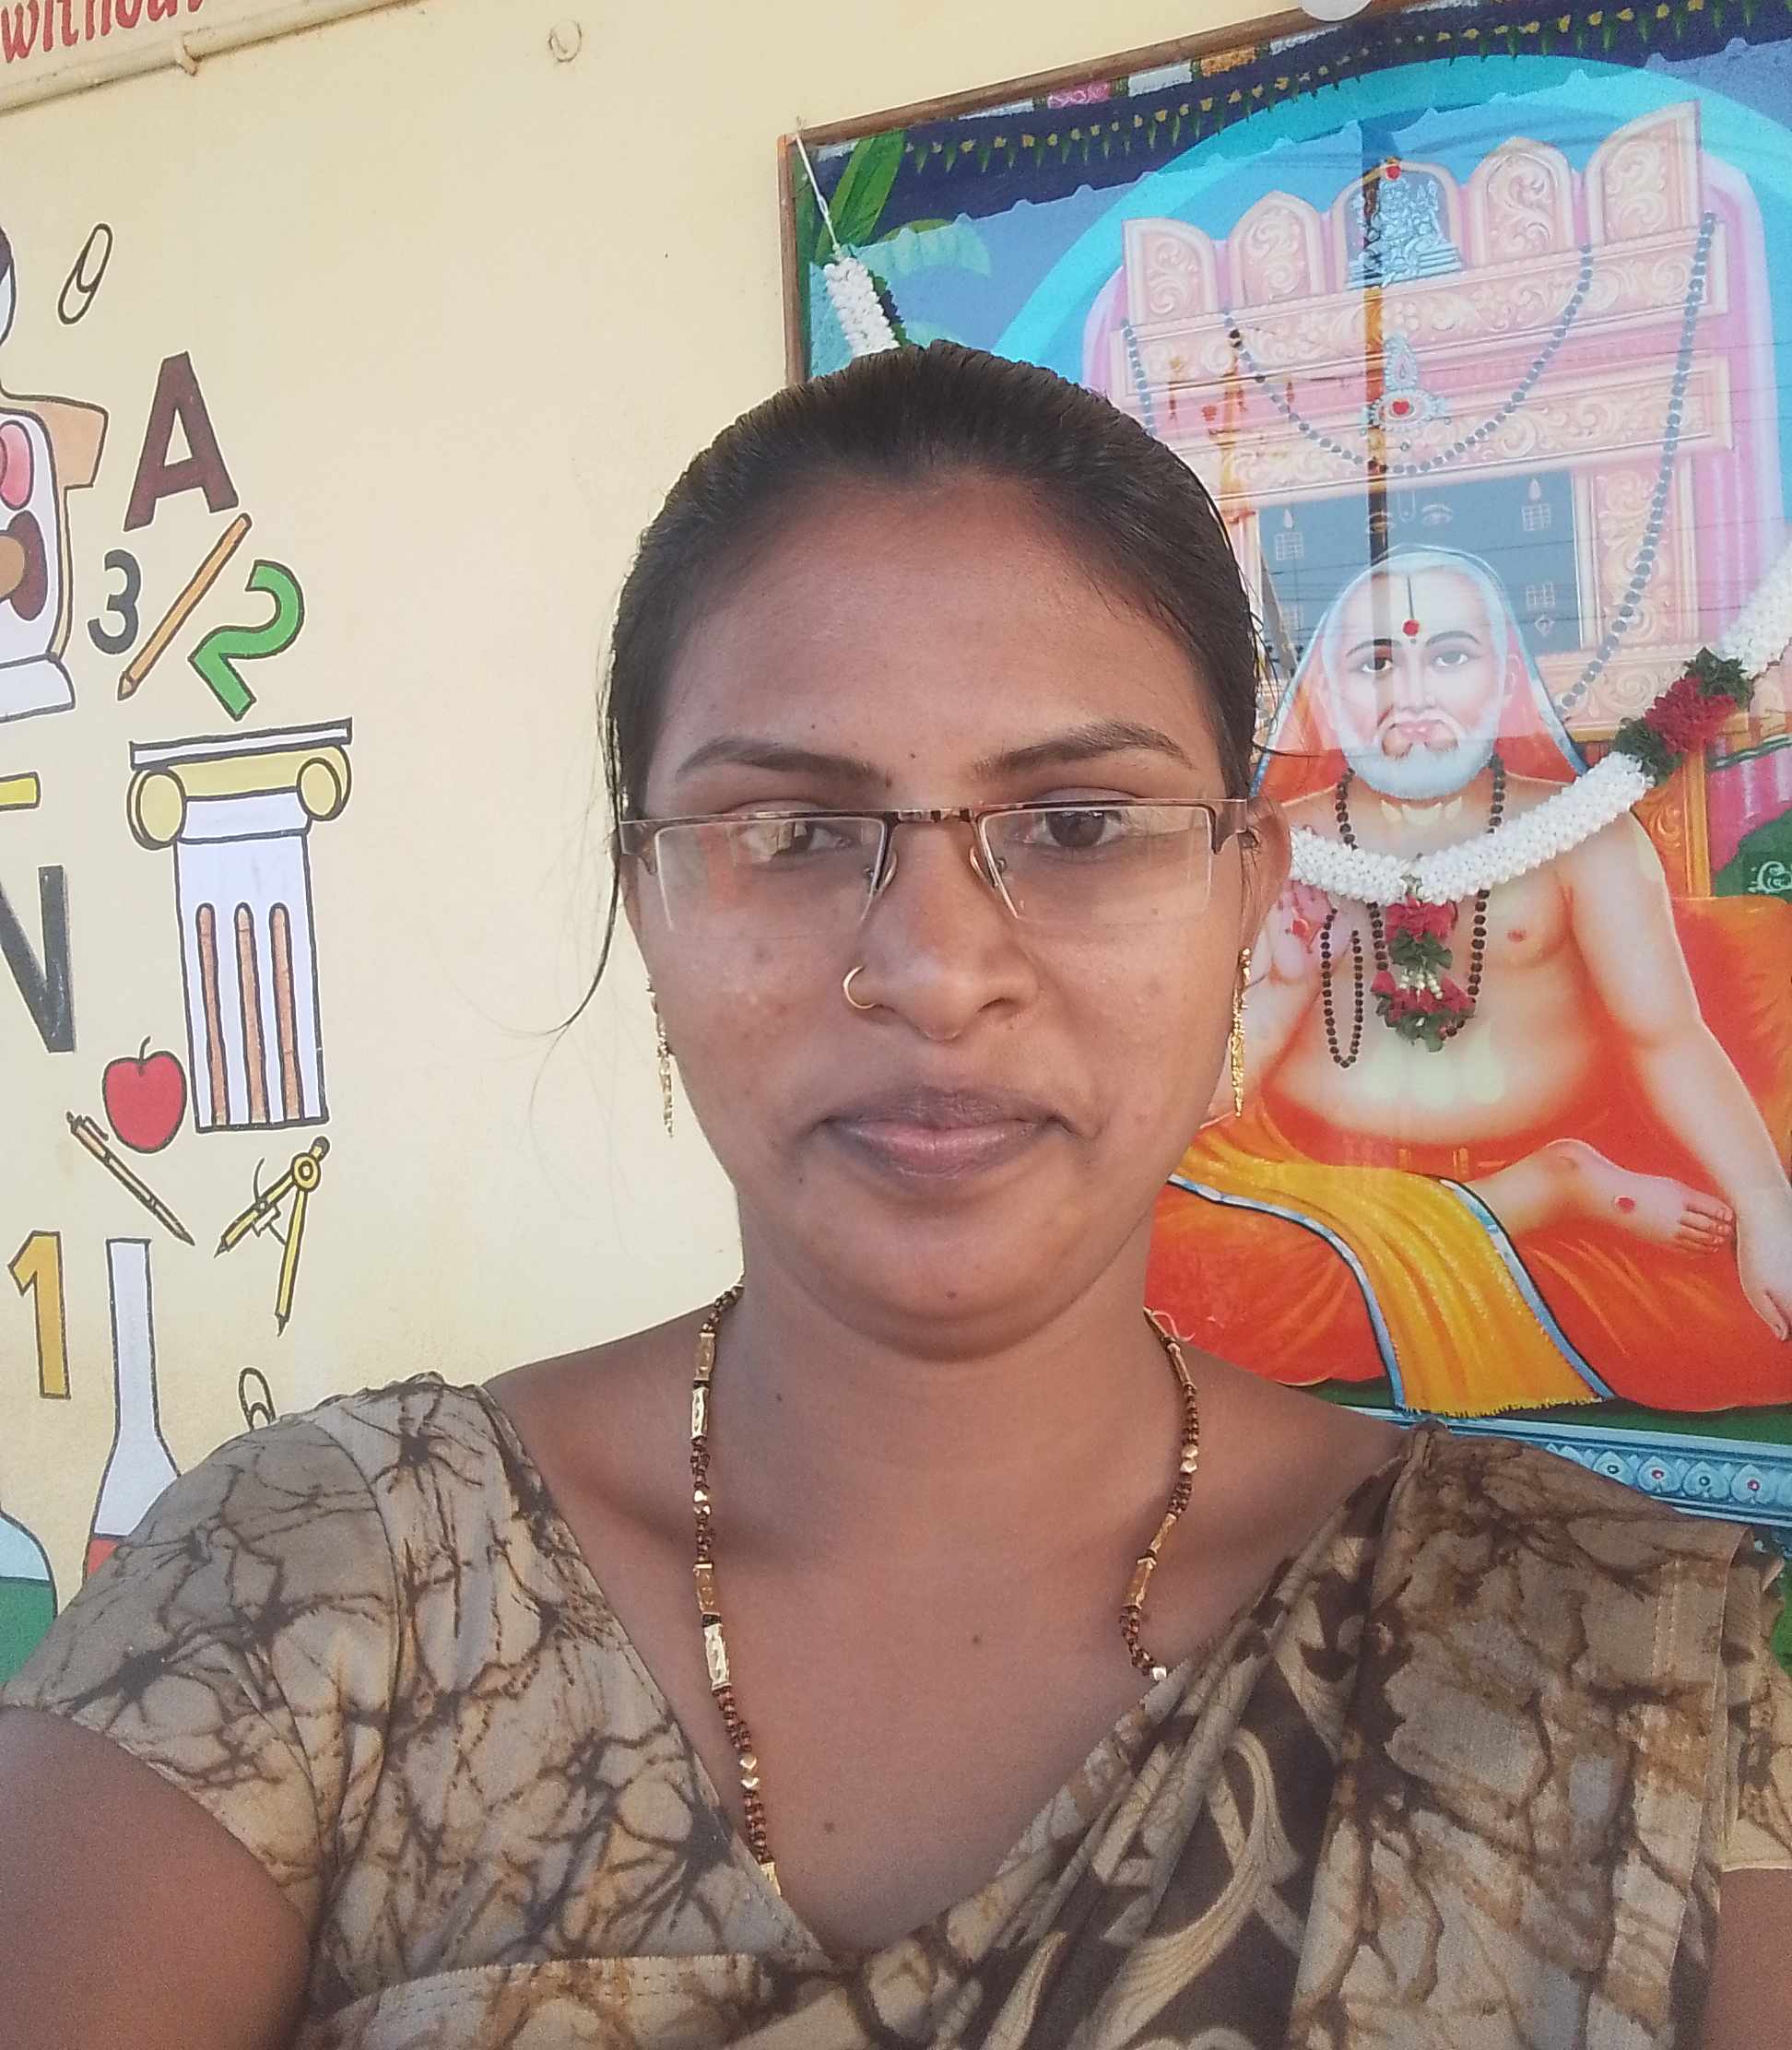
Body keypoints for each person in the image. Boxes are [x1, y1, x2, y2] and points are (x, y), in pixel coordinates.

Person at [1, 345, 1789, 2048]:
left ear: (1245, 896)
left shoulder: (1593, 1657)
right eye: (790, 831)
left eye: (1076, 823)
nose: (936, 970)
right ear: (647, 907)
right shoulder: (334, 1595)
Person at [1152, 547, 1792, 1418]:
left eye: (1449, 656)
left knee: (1736, 1331)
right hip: (1309, 1189)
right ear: (1328, 696)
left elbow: (1667, 1036)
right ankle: (1535, 1194)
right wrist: (1290, 986)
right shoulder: (1277, 849)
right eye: (1377, 662)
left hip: (1509, 1174)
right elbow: (1210, 1090)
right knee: (1185, 1279)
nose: (1412, 696)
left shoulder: (1583, 837)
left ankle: (1526, 1196)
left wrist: (1765, 1205)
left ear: (1503, 683)